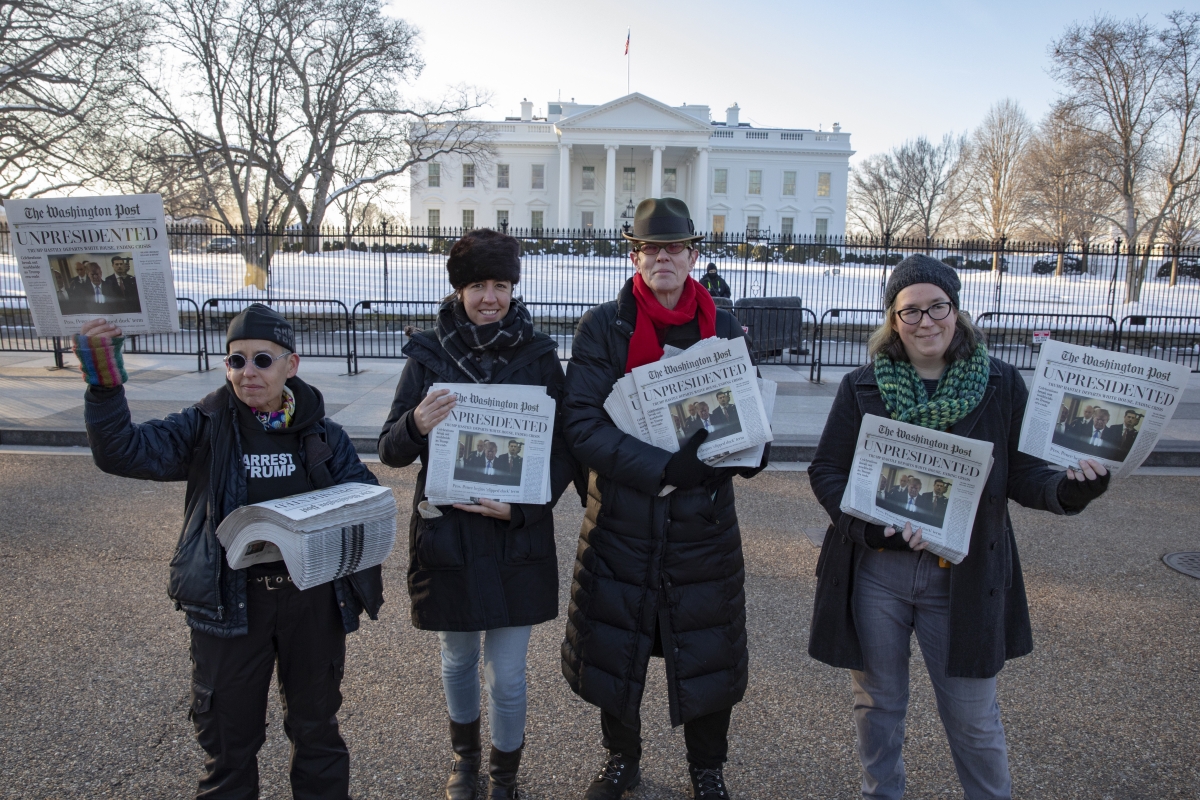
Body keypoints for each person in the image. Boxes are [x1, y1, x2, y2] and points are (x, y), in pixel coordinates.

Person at [807, 254, 1110, 800]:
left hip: (964, 578)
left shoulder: (999, 383)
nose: (926, 322)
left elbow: (1025, 472)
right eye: (910, 311)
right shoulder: (862, 385)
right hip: (878, 573)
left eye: (937, 307)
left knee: (973, 718)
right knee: (878, 708)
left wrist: (1070, 489)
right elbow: (827, 470)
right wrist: (869, 529)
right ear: (893, 320)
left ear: (957, 309)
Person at [79, 303, 384, 799]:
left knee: (317, 734)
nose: (248, 373)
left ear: (292, 364)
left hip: (311, 601)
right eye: (235, 361)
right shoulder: (204, 426)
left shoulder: (325, 435)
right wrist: (105, 385)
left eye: (262, 360)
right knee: (229, 745)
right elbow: (121, 451)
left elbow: (363, 501)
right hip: (230, 604)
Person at [561, 198, 767, 800]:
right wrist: (659, 466)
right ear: (635, 256)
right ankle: (621, 757)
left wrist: (748, 451)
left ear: (694, 255)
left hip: (701, 520)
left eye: (674, 247)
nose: (663, 258)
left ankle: (708, 767)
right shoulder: (605, 326)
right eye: (651, 248)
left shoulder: (723, 327)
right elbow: (581, 424)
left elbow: (746, 410)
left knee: (707, 647)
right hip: (624, 516)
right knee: (616, 645)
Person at [376, 228, 580, 800]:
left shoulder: (538, 356)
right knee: (458, 658)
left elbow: (565, 447)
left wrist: (523, 504)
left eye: (500, 284)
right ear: (459, 289)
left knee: (509, 675)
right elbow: (391, 450)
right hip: (451, 532)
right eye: (477, 286)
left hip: (516, 532)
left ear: (513, 287)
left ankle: (505, 775)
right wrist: (417, 422)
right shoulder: (428, 354)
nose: (490, 297)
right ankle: (465, 764)